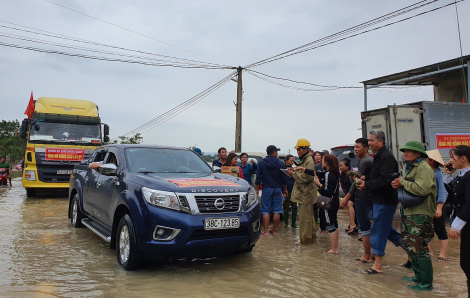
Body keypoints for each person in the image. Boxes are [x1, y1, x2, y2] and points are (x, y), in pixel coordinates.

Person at [391, 141, 436, 291]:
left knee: (420, 247)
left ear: (418, 154)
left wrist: (403, 182)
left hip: (420, 213)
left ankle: (426, 283)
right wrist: (399, 184)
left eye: (409, 151)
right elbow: (410, 186)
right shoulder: (412, 167)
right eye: (405, 151)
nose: (405, 153)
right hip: (409, 211)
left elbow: (422, 189)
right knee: (410, 246)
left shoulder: (423, 168)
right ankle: (418, 276)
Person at [358, 129, 402, 275]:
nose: (369, 143)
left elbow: (385, 180)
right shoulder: (378, 156)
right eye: (369, 140)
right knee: (386, 230)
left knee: (377, 231)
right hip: (379, 200)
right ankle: (412, 252)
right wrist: (367, 180)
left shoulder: (386, 157)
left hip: (385, 200)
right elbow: (378, 177)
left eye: (372, 141)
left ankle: (377, 265)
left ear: (381, 142)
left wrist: (367, 184)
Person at [340, 138, 374, 263]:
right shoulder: (367, 160)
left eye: (358, 147)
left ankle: (366, 256)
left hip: (364, 197)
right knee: (371, 226)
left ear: (366, 148)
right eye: (354, 147)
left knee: (365, 228)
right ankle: (373, 254)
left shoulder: (365, 161)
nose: (355, 149)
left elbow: (357, 183)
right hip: (368, 196)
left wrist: (347, 197)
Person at [444, 145, 470, 296]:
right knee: (465, 263)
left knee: (467, 263)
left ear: (463, 158)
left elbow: (468, 203)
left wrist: (456, 225)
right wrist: (447, 175)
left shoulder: (469, 176)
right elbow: (452, 197)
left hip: (467, 223)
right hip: (466, 225)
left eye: (453, 158)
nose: (450, 161)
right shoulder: (462, 175)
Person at [289, 139, 317, 244]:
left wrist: (293, 174)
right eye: (297, 149)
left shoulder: (308, 160)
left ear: (306, 149)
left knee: (305, 220)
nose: (298, 151)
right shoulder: (306, 159)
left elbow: (307, 178)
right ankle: (310, 241)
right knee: (308, 219)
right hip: (305, 194)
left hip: (305, 194)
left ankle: (305, 243)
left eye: (299, 149)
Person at [255, 145, 287, 236]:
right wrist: (284, 189)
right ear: (274, 152)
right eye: (276, 152)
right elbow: (284, 178)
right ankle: (274, 230)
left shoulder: (261, 163)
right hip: (277, 189)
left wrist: (257, 190)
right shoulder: (280, 163)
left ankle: (265, 231)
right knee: (277, 210)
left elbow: (258, 178)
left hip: (266, 189)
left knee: (266, 211)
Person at [425, 149, 449, 261]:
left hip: (437, 204)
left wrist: (439, 207)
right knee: (428, 229)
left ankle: (443, 254)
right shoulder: (426, 172)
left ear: (432, 161)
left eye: (426, 158)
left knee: (440, 229)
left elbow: (443, 192)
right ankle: (429, 251)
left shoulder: (438, 174)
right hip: (427, 204)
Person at [339, 158, 358, 235]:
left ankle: (353, 225)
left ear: (347, 166)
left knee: (350, 205)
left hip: (356, 193)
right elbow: (343, 186)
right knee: (349, 206)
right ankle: (352, 224)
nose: (340, 167)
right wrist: (347, 195)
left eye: (341, 166)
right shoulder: (342, 175)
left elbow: (356, 184)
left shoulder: (354, 173)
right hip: (349, 194)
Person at [283, 155, 298, 228]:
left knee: (294, 206)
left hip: (294, 190)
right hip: (285, 191)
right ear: (286, 160)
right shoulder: (282, 169)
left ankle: (294, 223)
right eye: (291, 161)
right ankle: (286, 223)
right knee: (285, 206)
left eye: (293, 161)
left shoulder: (294, 169)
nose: (292, 162)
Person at [312, 151, 322, 224]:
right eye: (316, 155)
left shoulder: (324, 165)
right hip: (314, 187)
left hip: (322, 187)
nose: (318, 157)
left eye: (319, 155)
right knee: (314, 203)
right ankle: (315, 219)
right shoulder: (312, 165)